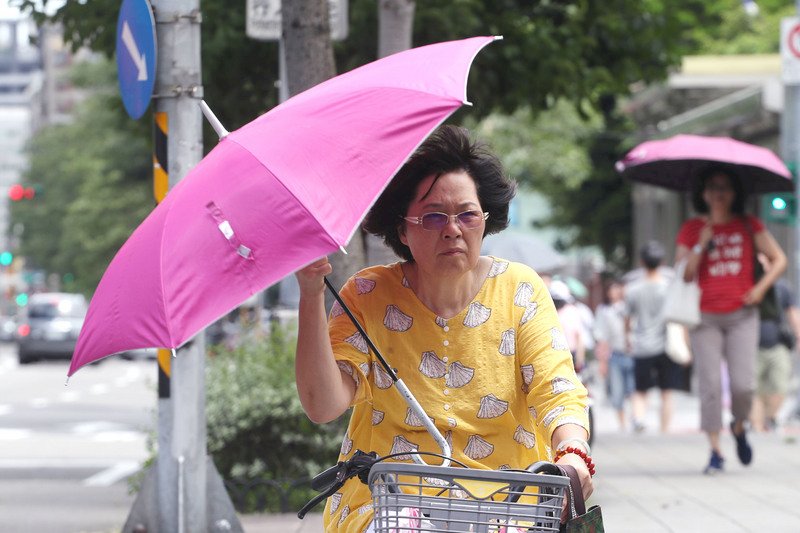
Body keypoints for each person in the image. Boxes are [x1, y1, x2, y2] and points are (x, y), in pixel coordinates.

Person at [295, 125, 593, 532]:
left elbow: (556, 387)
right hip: (388, 507)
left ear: (485, 221)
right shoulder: (367, 293)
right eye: (433, 216)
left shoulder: (520, 289)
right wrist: (310, 294)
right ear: (402, 229)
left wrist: (573, 451)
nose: (452, 228)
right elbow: (322, 404)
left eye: (467, 214)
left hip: (507, 505)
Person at [675, 165, 787, 474]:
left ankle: (739, 425)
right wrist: (702, 242)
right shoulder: (691, 229)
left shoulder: (748, 225)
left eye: (724, 187)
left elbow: (779, 259)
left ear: (734, 193)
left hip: (742, 315)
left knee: (743, 385)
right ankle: (714, 450)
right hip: (704, 317)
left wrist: (759, 289)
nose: (718, 193)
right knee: (710, 385)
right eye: (712, 187)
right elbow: (683, 274)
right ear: (704, 193)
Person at [624, 241, 682, 434]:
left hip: (642, 345)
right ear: (662, 262)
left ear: (642, 262)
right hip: (666, 346)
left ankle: (639, 419)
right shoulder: (669, 287)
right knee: (666, 392)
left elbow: (627, 318)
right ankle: (664, 430)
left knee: (641, 390)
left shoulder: (633, 289)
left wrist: (627, 339)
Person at [751, 254, 800, 432]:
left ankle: (769, 418)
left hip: (778, 344)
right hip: (753, 346)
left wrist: (799, 337)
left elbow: (793, 313)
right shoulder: (749, 286)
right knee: (754, 389)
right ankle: (756, 427)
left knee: (780, 386)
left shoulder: (782, 288)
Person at [594, 278, 634, 431]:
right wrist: (602, 360)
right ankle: (622, 422)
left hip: (632, 353)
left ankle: (635, 418)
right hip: (614, 354)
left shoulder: (628, 308)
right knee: (617, 390)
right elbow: (601, 335)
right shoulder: (604, 310)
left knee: (633, 389)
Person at [550, 279, 586, 371]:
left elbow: (579, 337)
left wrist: (580, 358)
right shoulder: (548, 312)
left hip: (570, 353)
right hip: (553, 356)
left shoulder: (572, 311)